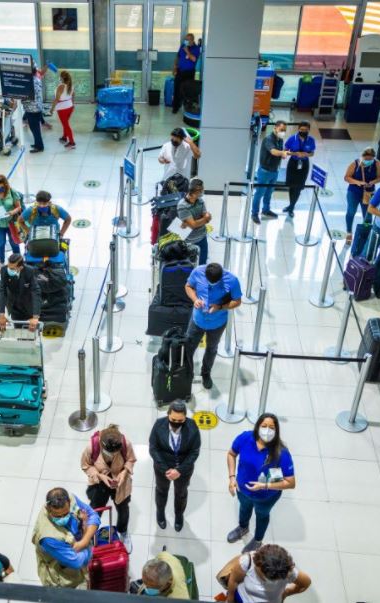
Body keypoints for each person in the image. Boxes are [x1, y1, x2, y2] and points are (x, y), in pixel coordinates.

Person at [226, 413, 296, 553]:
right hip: (243, 489)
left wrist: (265, 486)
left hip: (266, 496)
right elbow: (231, 454)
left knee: (262, 515)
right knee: (244, 508)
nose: (267, 430)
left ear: (276, 431)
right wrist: (232, 477)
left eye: (271, 427)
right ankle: (243, 527)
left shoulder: (281, 452)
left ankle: (257, 540)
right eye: (264, 426)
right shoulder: (246, 438)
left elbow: (291, 482)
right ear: (257, 426)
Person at [185, 262, 242, 390]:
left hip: (217, 322)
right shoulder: (198, 271)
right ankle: (188, 373)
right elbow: (188, 286)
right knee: (188, 347)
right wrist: (195, 299)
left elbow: (237, 301)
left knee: (211, 348)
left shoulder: (232, 280)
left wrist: (220, 307)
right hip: (197, 320)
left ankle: (206, 373)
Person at [80, 424, 136, 552]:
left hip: (121, 483)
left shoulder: (125, 443)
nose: (111, 456)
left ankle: (123, 532)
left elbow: (131, 460)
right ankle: (89, 535)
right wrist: (99, 475)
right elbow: (85, 465)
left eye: (115, 454)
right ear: (101, 445)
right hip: (100, 483)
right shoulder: (91, 447)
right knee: (95, 509)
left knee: (123, 509)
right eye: (108, 453)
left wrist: (124, 472)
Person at [31, 487, 100, 589]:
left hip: (78, 556)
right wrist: (89, 546)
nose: (63, 518)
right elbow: (77, 562)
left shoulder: (71, 499)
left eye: (66, 514)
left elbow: (94, 516)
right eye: (58, 516)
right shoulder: (48, 538)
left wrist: (84, 541)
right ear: (49, 509)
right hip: (62, 576)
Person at [148, 402, 201, 532]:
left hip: (183, 469)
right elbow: (153, 449)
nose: (176, 422)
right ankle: (160, 513)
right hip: (162, 468)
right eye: (173, 420)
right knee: (161, 491)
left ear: (185, 418)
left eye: (180, 420)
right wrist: (166, 469)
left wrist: (179, 470)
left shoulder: (192, 427)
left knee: (181, 493)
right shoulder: (159, 425)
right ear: (168, 415)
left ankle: (179, 515)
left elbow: (194, 452)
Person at [225, 543, 311, 603]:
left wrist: (288, 592)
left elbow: (305, 583)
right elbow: (233, 581)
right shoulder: (248, 561)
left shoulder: (287, 572)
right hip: (242, 599)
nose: (255, 565)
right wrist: (230, 600)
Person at [251, 121, 289, 222]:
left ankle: (266, 210)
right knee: (259, 193)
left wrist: (283, 154)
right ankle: (254, 213)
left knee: (269, 193)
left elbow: (279, 153)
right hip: (265, 171)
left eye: (284, 130)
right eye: (281, 130)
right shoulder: (268, 139)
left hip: (274, 171)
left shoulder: (280, 140)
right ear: (275, 128)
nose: (283, 132)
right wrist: (282, 153)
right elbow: (273, 151)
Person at [342, 147, 380, 237]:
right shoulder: (355, 164)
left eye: (370, 159)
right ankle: (349, 231)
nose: (368, 161)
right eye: (366, 159)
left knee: (368, 214)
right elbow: (346, 177)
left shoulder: (377, 163)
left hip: (369, 193)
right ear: (362, 156)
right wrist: (359, 182)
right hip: (354, 192)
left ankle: (365, 232)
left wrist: (372, 182)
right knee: (351, 211)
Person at [0, 253, 40, 331]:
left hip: (29, 308)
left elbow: (35, 292)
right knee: (18, 329)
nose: (9, 269)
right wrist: (1, 314)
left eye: (12, 268)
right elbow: (1, 291)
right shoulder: (4, 270)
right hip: (14, 307)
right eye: (9, 266)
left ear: (20, 267)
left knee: (32, 331)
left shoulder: (30, 271)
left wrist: (35, 317)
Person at [282, 121, 315, 217]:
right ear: (298, 129)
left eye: (306, 130)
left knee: (299, 187)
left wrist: (306, 154)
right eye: (301, 129)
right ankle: (291, 205)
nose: (303, 131)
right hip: (293, 163)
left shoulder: (311, 140)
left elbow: (312, 153)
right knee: (291, 185)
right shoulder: (293, 139)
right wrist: (294, 153)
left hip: (304, 164)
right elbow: (285, 151)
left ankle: (291, 207)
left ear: (308, 130)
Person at [176, 178, 211, 265]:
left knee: (202, 264)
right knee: (190, 265)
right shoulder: (182, 206)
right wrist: (204, 219)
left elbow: (208, 217)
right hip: (190, 241)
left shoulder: (200, 201)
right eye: (202, 190)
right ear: (197, 191)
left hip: (203, 238)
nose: (203, 192)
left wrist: (202, 220)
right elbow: (193, 225)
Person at [172, 33, 201, 114]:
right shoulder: (182, 46)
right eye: (185, 39)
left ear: (192, 40)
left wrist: (187, 51)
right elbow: (178, 57)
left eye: (188, 40)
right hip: (180, 71)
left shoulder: (196, 48)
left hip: (189, 73)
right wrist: (175, 67)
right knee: (177, 89)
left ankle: (187, 107)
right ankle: (175, 107)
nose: (186, 41)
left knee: (188, 91)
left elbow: (194, 59)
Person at [23, 63, 46, 153]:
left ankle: (39, 147)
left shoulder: (31, 82)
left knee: (35, 128)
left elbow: (30, 95)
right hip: (36, 107)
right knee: (34, 128)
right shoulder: (36, 79)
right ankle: (37, 143)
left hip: (32, 109)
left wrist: (22, 97)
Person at [50, 70, 76, 149]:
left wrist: (52, 109)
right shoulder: (71, 85)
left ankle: (72, 142)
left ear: (62, 78)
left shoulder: (61, 86)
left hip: (62, 108)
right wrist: (73, 104)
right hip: (69, 107)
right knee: (66, 123)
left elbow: (57, 99)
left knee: (66, 125)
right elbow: (73, 95)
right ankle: (64, 137)